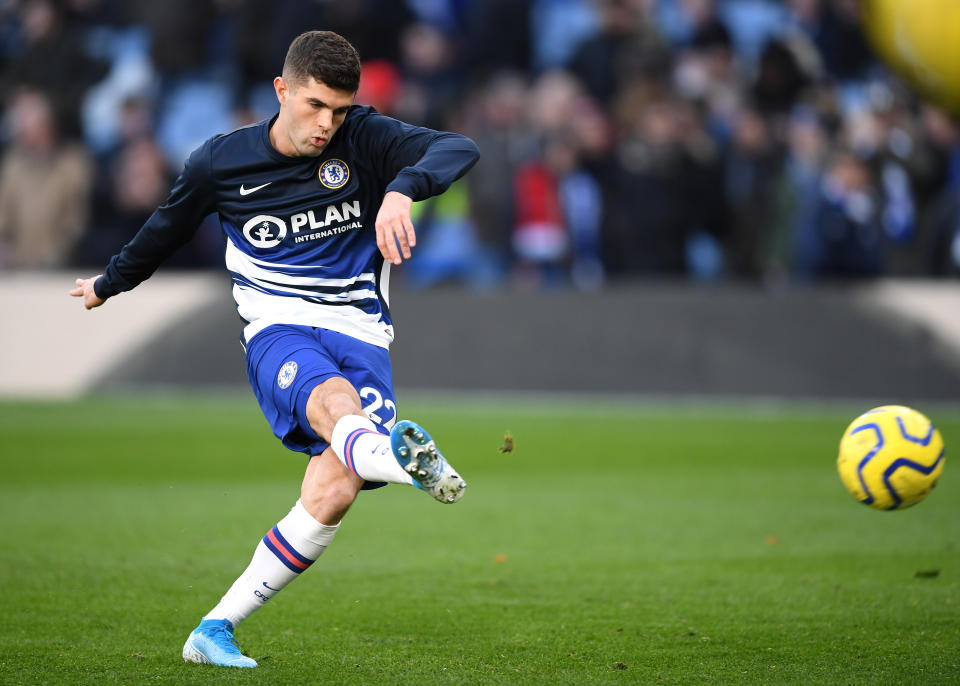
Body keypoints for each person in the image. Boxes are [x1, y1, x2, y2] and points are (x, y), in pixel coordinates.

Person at [69, 30, 479, 669]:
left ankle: (214, 628)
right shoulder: (221, 162)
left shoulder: (363, 138)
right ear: (281, 91)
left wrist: (401, 188)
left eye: (339, 110)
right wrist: (108, 281)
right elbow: (165, 230)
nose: (327, 124)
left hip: (363, 330)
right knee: (332, 401)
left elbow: (459, 146)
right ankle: (403, 460)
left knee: (334, 488)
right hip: (278, 326)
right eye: (315, 106)